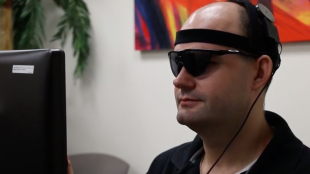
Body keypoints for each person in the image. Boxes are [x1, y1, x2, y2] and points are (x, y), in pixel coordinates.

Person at [145, 0, 310, 174]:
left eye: (200, 61)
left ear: (259, 72)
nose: (179, 81)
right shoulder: (163, 166)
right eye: (178, 63)